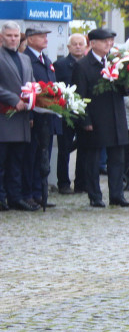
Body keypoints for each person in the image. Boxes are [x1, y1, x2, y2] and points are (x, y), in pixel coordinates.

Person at [72, 28, 129, 208]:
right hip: (96, 118)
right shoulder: (83, 65)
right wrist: (85, 120)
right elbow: (79, 96)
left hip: (116, 117)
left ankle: (117, 194)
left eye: (111, 40)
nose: (109, 44)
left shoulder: (115, 61)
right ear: (93, 43)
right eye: (105, 41)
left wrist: (125, 78)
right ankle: (95, 195)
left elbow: (124, 90)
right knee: (93, 159)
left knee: (117, 159)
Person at [0, 21, 35, 211]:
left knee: (17, 162)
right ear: (1, 37)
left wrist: (35, 100)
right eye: (9, 36)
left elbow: (31, 84)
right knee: (2, 162)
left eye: (16, 36)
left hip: (22, 119)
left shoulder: (25, 59)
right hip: (4, 118)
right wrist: (13, 99)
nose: (13, 39)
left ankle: (15, 197)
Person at [23, 27, 58, 209]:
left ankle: (39, 193)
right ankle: (28, 193)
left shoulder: (46, 60)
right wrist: (29, 114)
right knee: (31, 156)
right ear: (29, 39)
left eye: (46, 36)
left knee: (43, 157)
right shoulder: (26, 59)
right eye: (41, 36)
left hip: (47, 116)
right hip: (33, 116)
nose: (45, 39)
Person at [54, 33, 88, 194]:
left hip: (83, 112)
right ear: (68, 47)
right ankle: (63, 183)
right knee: (64, 149)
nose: (78, 46)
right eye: (74, 44)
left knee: (84, 148)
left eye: (81, 43)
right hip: (66, 112)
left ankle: (81, 183)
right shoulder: (60, 65)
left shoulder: (89, 64)